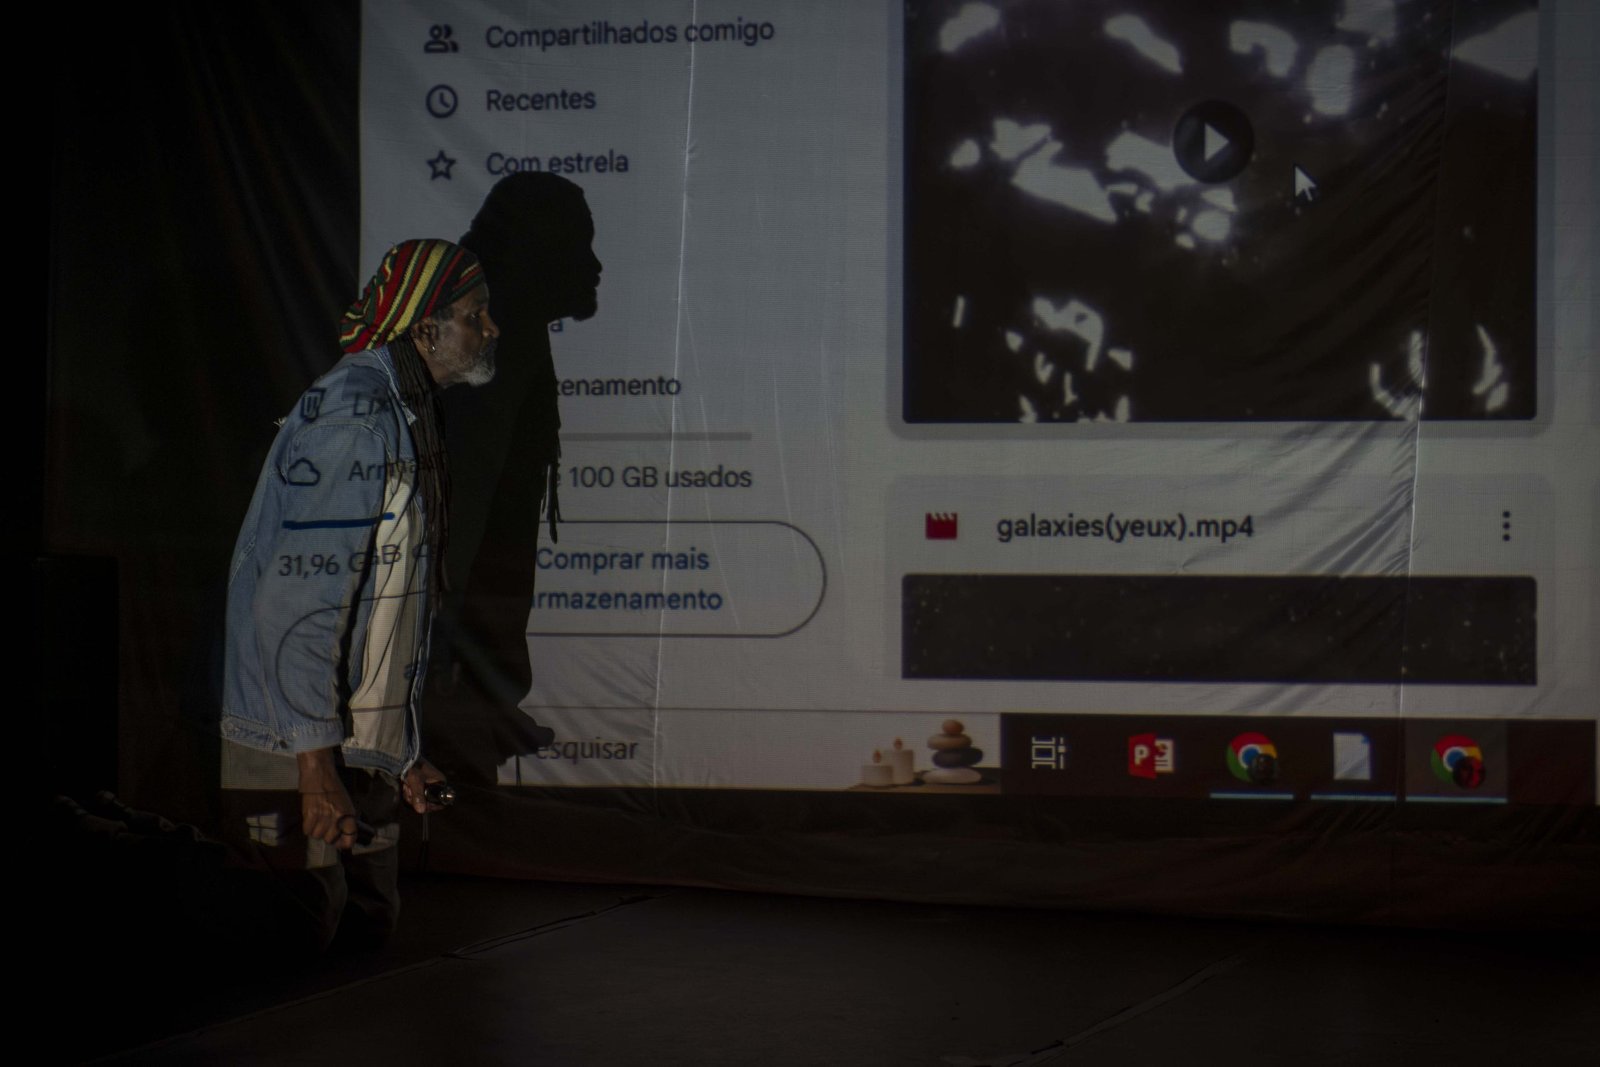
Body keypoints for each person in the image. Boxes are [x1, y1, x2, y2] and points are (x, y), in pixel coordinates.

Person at [215, 238, 498, 952]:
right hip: (295, 745)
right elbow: (293, 605)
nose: (490, 329)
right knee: (292, 951)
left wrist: (398, 753)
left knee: (364, 947)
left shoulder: (402, 408)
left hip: (351, 747)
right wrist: (314, 771)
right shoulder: (356, 416)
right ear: (426, 326)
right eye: (476, 314)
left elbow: (385, 604)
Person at [425, 173, 603, 783]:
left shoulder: (504, 328)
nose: (594, 266)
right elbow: (456, 500)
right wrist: (438, 650)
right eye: (579, 246)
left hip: (462, 660)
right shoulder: (482, 336)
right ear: (540, 251)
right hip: (449, 668)